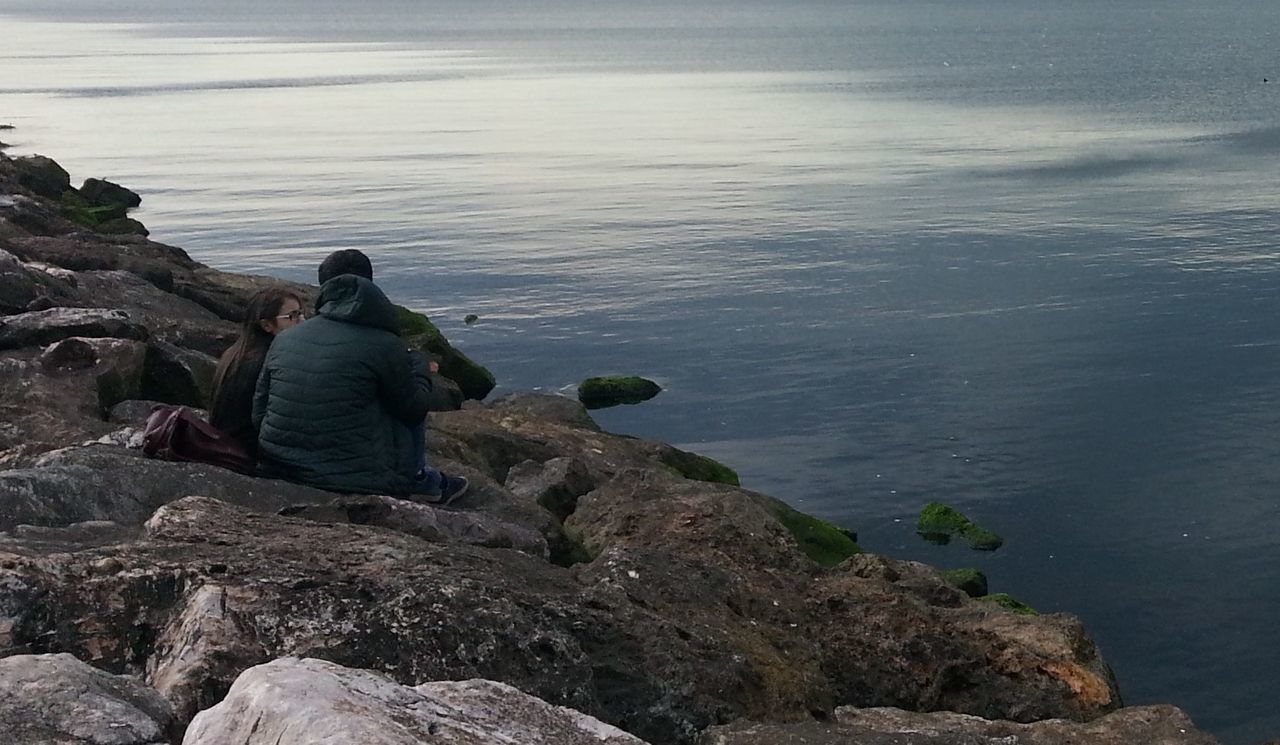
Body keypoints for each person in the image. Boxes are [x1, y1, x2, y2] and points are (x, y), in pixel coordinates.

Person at [252, 249, 468, 502]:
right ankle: (422, 481)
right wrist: (419, 366)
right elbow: (414, 411)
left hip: (280, 464)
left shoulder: (285, 338)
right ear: (370, 284)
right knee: (405, 394)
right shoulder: (385, 343)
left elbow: (259, 411)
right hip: (360, 479)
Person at [208, 287, 305, 458]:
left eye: (301, 313)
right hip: (248, 453)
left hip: (226, 442)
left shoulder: (236, 353)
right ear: (266, 325)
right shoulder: (270, 361)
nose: (302, 321)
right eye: (292, 316)